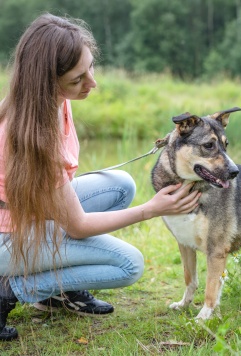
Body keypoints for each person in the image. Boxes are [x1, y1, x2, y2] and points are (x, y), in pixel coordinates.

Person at [0, 13, 200, 341]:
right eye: (78, 79)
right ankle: (12, 287)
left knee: (120, 185)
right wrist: (151, 209)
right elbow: (76, 226)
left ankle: (58, 293)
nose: (92, 83)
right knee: (128, 265)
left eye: (90, 67)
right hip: (7, 237)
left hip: (25, 212)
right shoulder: (35, 135)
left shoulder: (49, 101)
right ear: (47, 81)